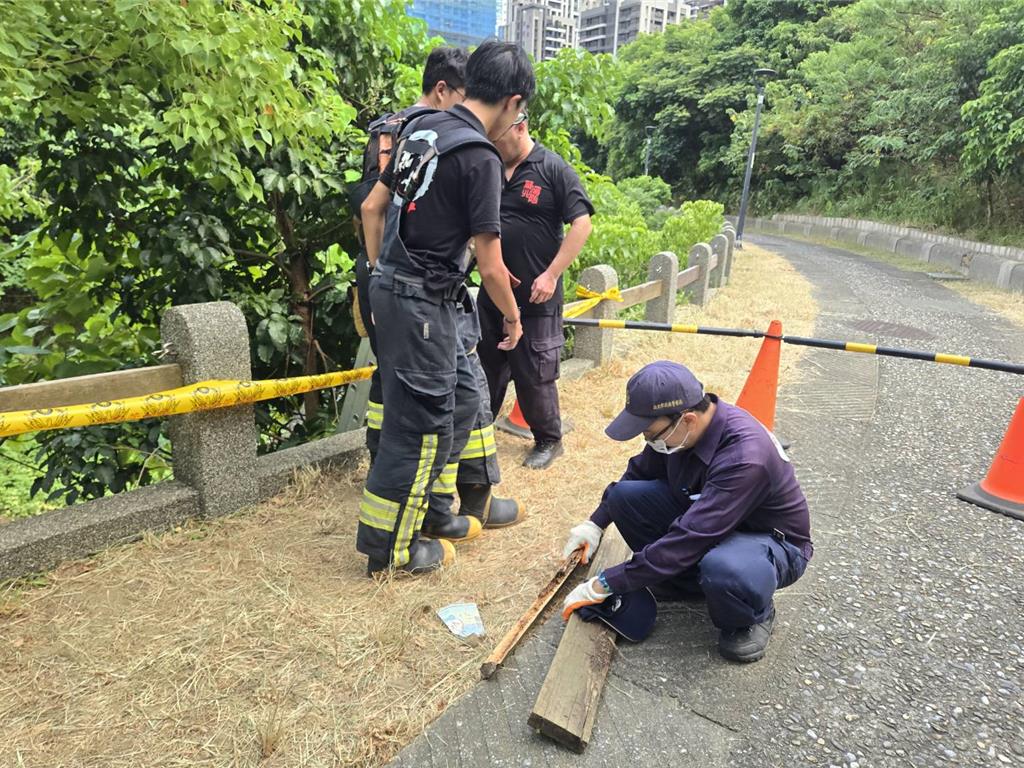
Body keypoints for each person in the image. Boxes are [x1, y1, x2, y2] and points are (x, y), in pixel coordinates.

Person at [356, 41, 534, 575]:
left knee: (458, 400)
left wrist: (384, 271)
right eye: (520, 113)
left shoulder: (423, 128)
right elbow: (490, 263)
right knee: (419, 423)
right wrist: (513, 315)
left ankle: (431, 513)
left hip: (406, 293)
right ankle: (390, 548)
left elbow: (372, 206)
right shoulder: (478, 155)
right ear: (511, 101)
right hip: (422, 305)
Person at [560, 361, 812, 662]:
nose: (648, 441)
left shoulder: (745, 458)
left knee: (724, 569)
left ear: (687, 419)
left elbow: (691, 536)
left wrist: (608, 581)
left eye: (651, 433)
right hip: (711, 519)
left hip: (770, 542)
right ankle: (685, 582)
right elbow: (638, 472)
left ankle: (752, 613)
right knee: (623, 497)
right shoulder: (679, 434)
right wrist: (595, 524)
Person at [478, 113, 593, 470]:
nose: (495, 146)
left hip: (536, 297)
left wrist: (552, 274)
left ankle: (548, 439)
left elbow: (582, 223)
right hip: (494, 294)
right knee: (486, 368)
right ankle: (477, 434)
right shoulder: (490, 167)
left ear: (521, 127)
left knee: (534, 373)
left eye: (498, 139)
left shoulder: (552, 168)